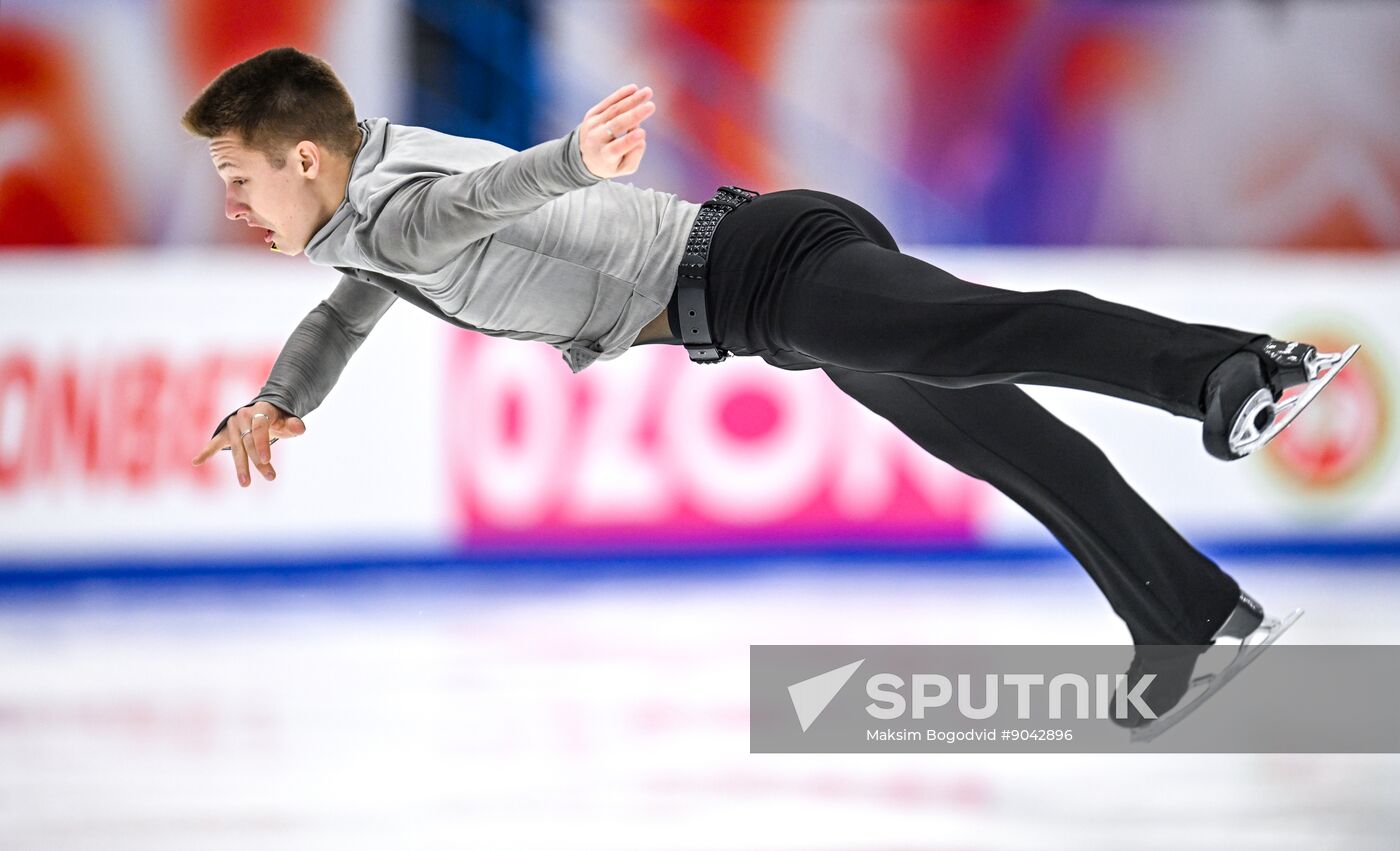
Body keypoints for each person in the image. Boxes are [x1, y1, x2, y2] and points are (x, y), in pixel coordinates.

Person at [186, 48, 1348, 729]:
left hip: (758, 272)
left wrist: (568, 164)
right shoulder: (370, 194)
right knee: (1002, 440)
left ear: (303, 158)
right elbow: (354, 295)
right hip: (758, 281)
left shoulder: (397, 204)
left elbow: (466, 209)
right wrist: (287, 394)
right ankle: (1189, 619)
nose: (235, 206)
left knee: (974, 337)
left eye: (239, 178)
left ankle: (1230, 368)